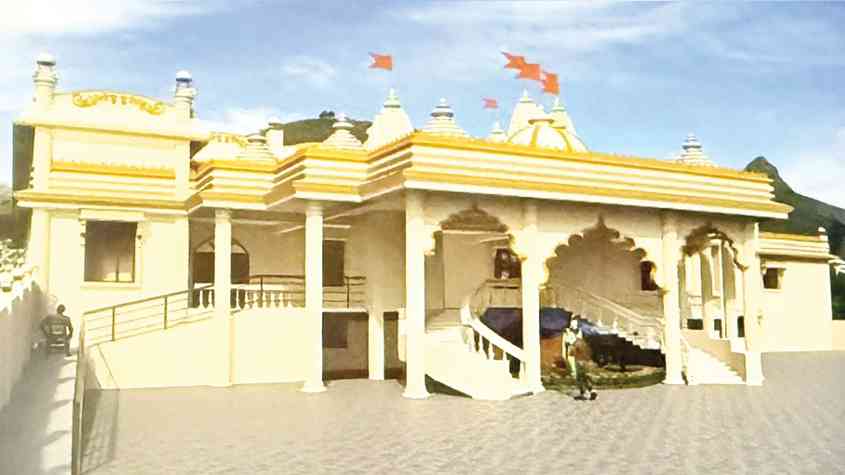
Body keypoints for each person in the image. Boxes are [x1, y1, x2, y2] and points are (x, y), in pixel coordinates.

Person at [563, 316, 597, 401]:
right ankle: (587, 391)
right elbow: (565, 345)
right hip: (574, 354)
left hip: (577, 354)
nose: (574, 323)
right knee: (579, 375)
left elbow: (578, 343)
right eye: (572, 321)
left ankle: (588, 391)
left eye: (575, 321)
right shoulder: (567, 331)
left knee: (580, 374)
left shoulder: (577, 331)